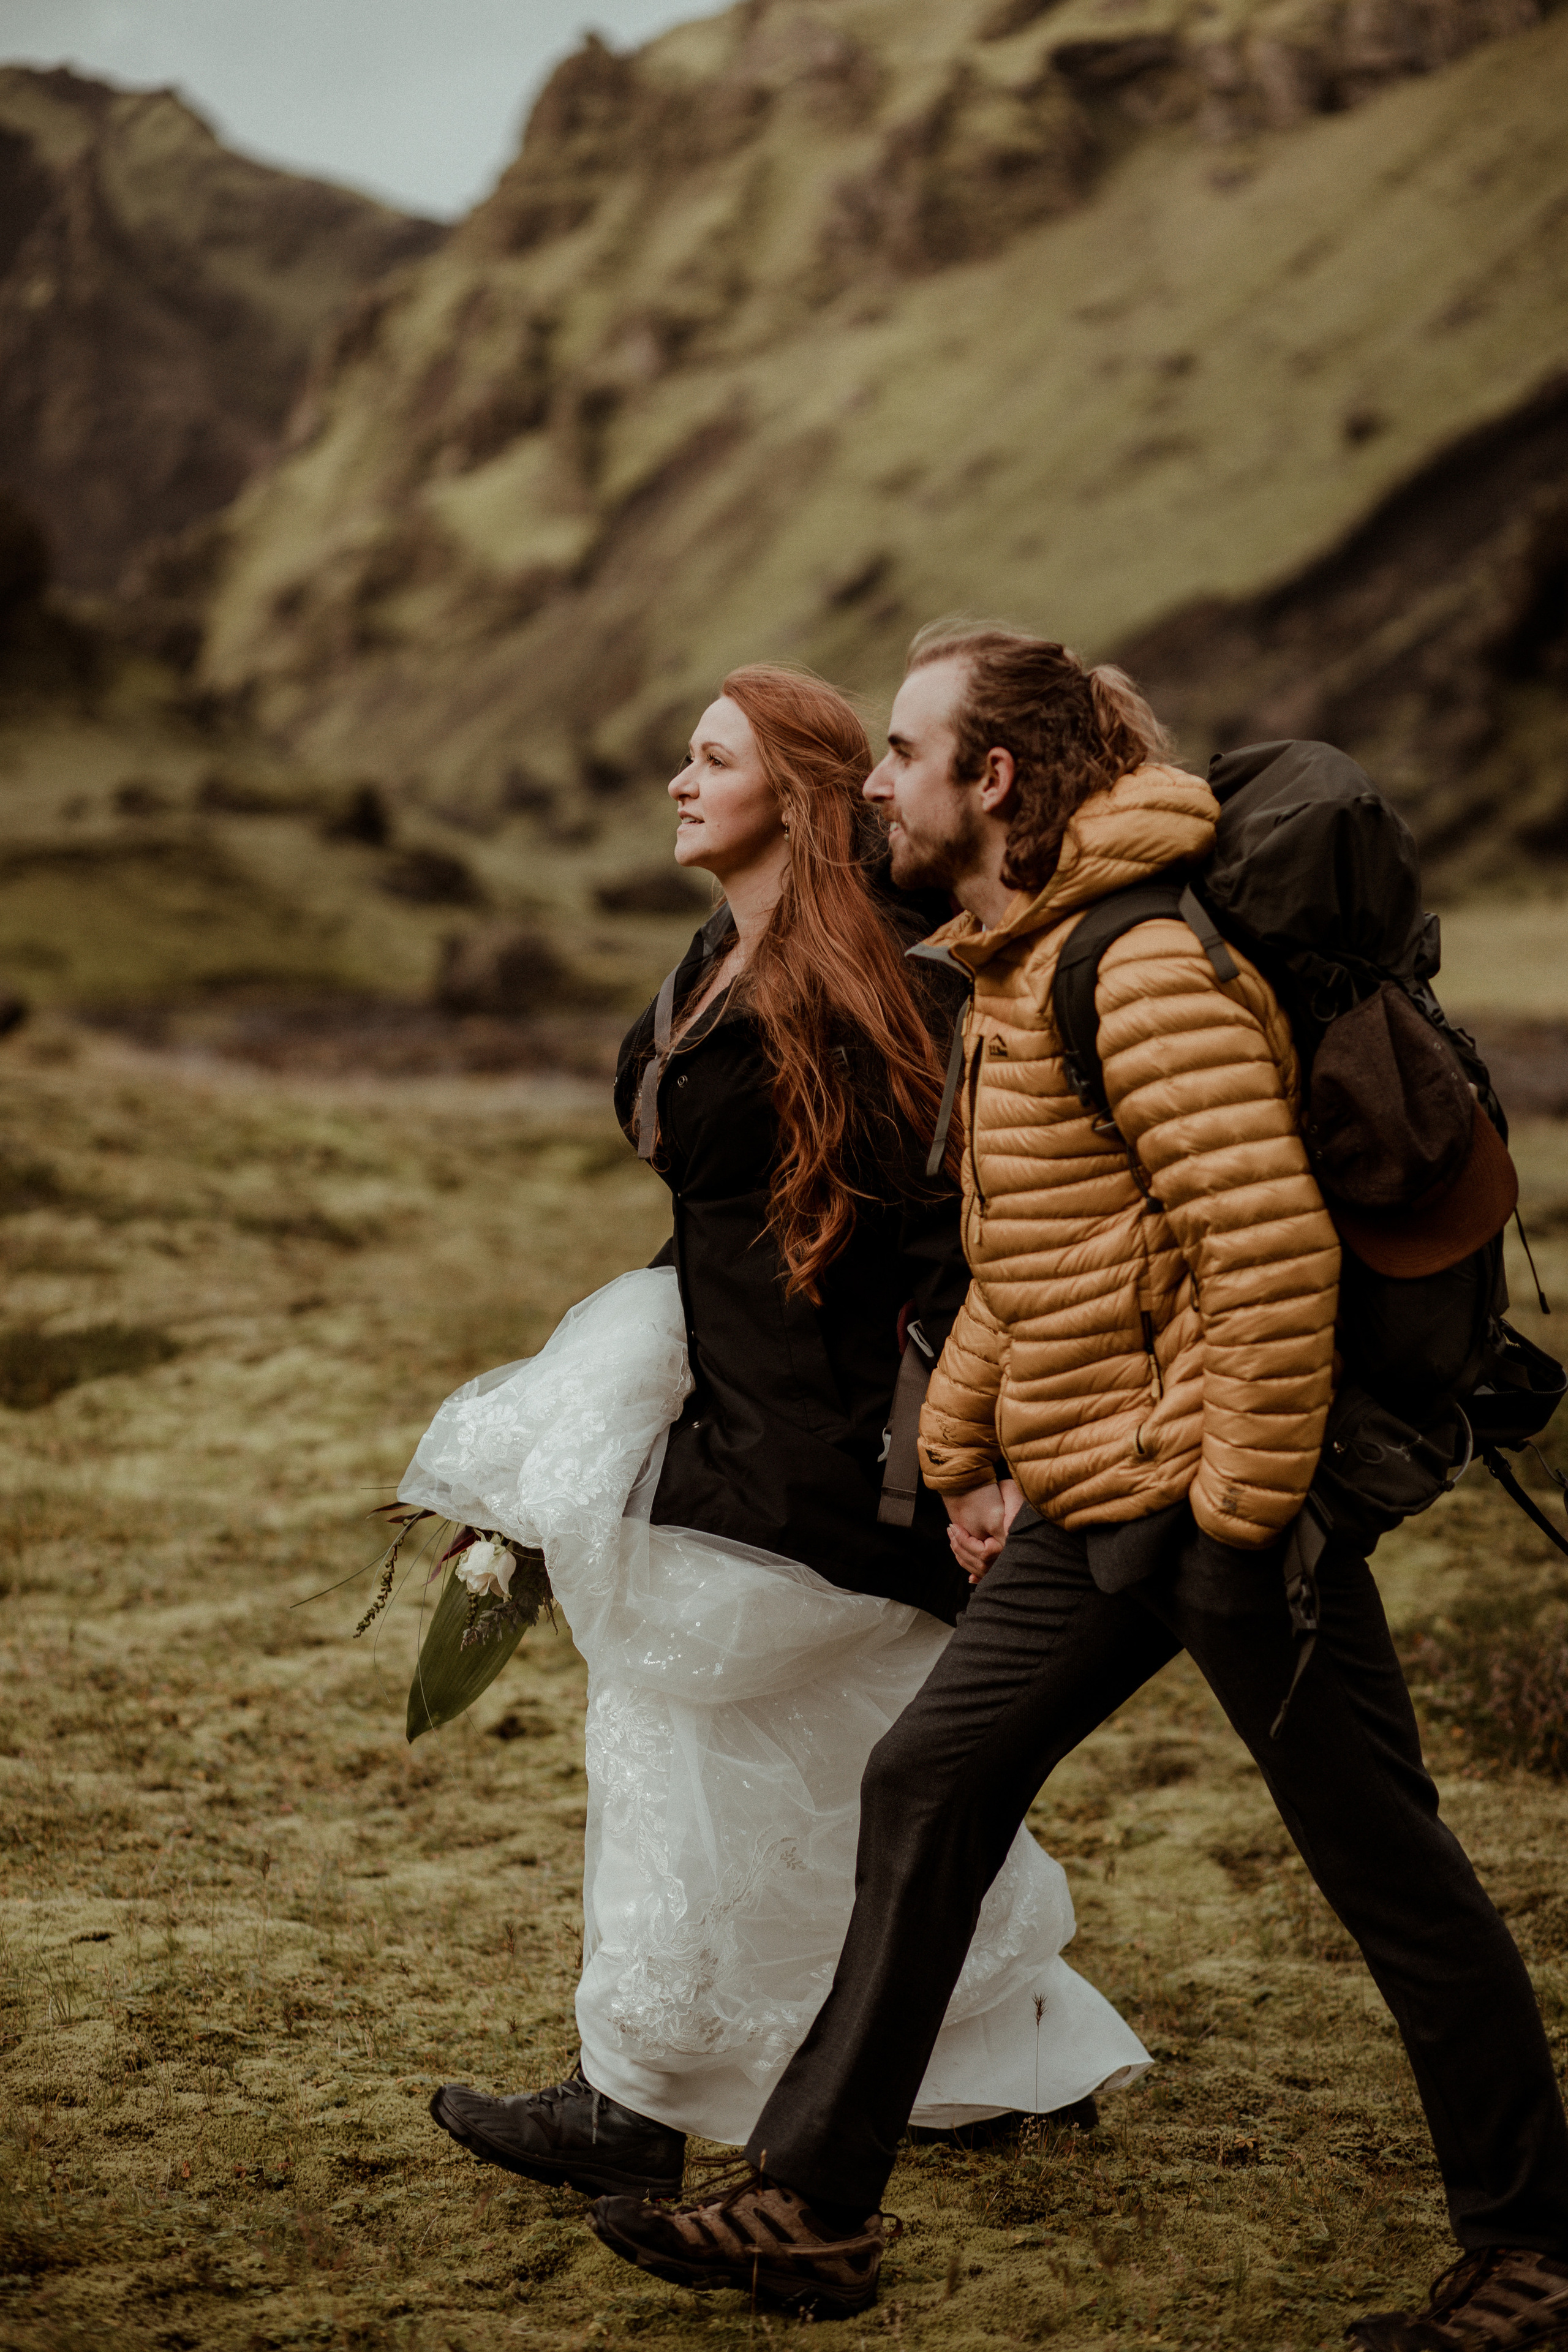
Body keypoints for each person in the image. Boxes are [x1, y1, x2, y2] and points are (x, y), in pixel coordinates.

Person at [587, 628, 1568, 2348]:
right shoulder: (1027, 960)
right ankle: (814, 2208)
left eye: (904, 753)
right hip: (1103, 1497)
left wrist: (1245, 1521)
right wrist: (967, 1446)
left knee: (1385, 1867)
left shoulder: (1135, 970)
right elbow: (1043, 1261)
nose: (874, 787)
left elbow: (1262, 1262)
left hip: (1216, 1510)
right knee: (928, 1780)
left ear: (998, 783)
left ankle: (1535, 2253)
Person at [415, 661, 1148, 2204]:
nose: (678, 784)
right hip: (738, 1414)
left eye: (710, 760)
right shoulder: (716, 956)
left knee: (714, 1742)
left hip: (828, 1454)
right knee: (787, 1763)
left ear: (795, 798)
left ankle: (637, 2103)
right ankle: (999, 2059)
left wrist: (964, 1454)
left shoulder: (874, 980)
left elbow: (962, 1234)